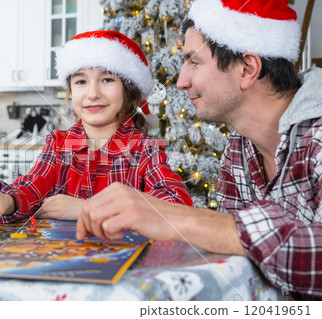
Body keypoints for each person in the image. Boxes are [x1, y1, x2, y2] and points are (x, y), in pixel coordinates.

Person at [76, 0, 322, 300]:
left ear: (247, 69)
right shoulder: (240, 146)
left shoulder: (318, 133)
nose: (181, 81)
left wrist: (173, 218)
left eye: (194, 62)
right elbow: (240, 261)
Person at [0, 30, 192, 228]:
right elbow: (31, 187)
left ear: (128, 91)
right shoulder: (58, 145)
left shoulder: (144, 149)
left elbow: (176, 202)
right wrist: (6, 200)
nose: (92, 93)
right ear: (71, 91)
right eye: (81, 82)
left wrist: (88, 208)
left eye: (106, 79)